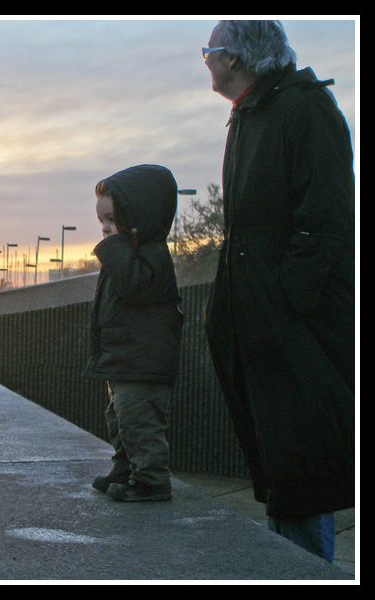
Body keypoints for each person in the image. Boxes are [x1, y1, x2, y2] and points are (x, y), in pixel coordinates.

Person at [203, 20, 355, 563]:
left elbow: (328, 214)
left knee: (302, 460)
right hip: (264, 315)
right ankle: (287, 565)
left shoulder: (303, 108)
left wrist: (288, 297)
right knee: (280, 458)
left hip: (292, 319)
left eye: (210, 50)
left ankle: (307, 571)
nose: (205, 59)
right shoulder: (251, 114)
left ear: (237, 59)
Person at [83, 165, 184, 502]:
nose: (106, 230)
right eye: (102, 223)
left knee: (140, 422)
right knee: (120, 418)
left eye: (112, 220)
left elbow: (135, 287)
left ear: (138, 216)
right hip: (124, 358)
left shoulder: (152, 255)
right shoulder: (128, 253)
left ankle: (152, 479)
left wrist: (114, 250)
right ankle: (125, 466)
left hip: (142, 361)